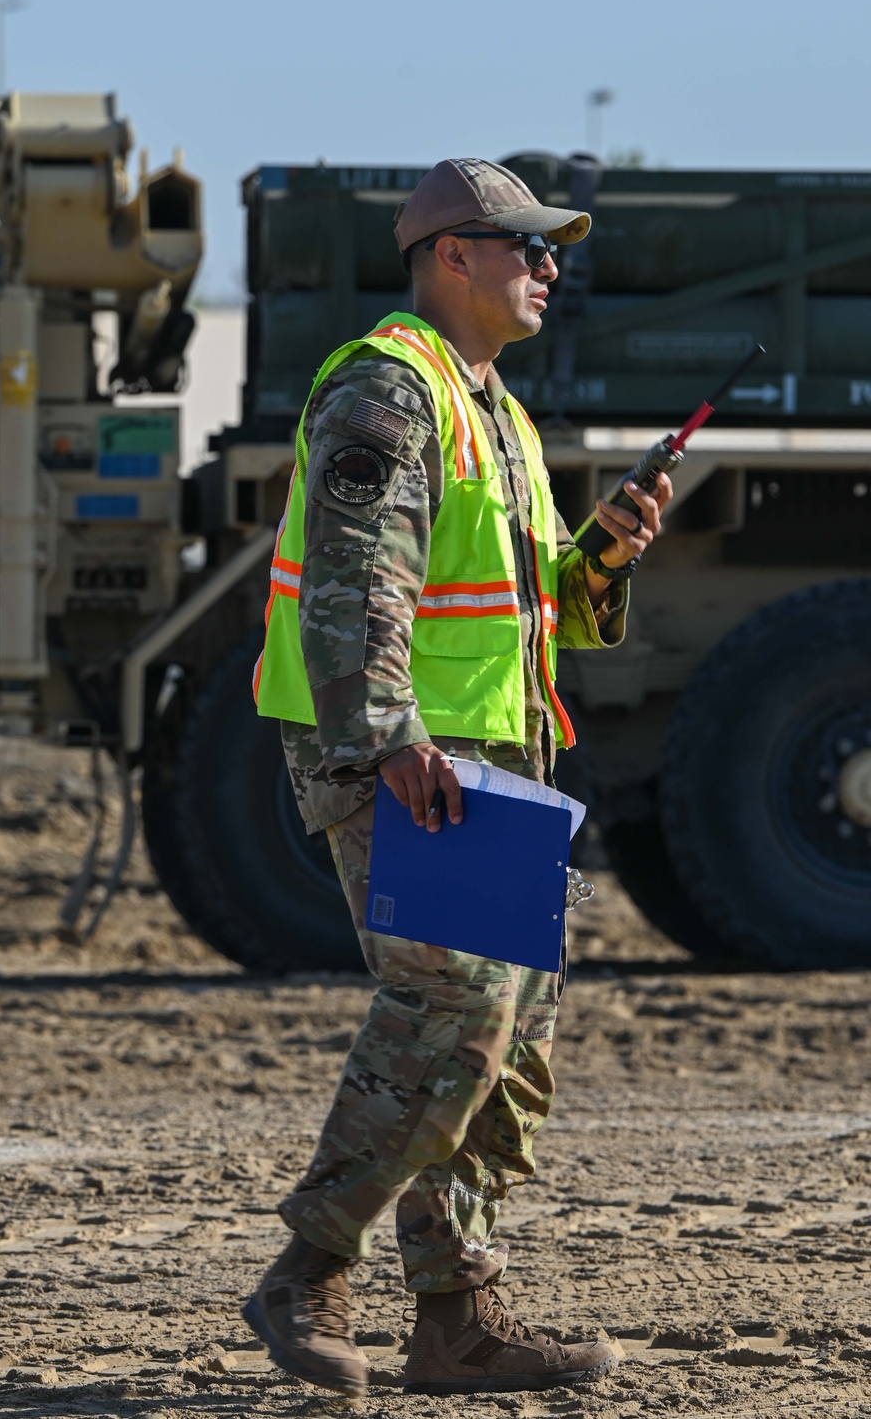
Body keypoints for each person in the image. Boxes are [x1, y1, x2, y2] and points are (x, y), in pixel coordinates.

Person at [245, 158, 672, 1398]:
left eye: (551, 250)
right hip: (406, 749)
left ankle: (457, 1321)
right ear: (450, 258)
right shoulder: (390, 386)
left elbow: (536, 607)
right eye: (526, 247)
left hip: (487, 752)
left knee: (512, 1033)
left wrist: (601, 557)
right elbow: (352, 578)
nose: (550, 267)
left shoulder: (495, 407)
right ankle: (305, 1269)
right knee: (457, 1009)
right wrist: (387, 735)